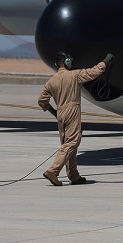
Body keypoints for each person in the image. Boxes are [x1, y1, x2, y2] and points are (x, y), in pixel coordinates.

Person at [38, 51, 114, 186]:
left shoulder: (52, 81)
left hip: (60, 113)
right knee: (73, 141)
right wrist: (106, 62)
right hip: (72, 110)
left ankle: (73, 175)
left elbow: (41, 100)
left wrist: (53, 111)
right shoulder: (75, 75)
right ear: (66, 62)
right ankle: (53, 171)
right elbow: (93, 72)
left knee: (67, 145)